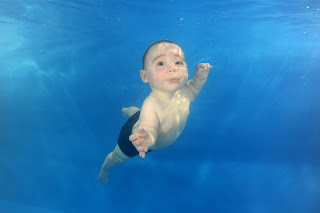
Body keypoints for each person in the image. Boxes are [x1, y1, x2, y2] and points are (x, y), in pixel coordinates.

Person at [97, 40, 212, 183]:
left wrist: (200, 77)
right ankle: (104, 171)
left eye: (178, 62)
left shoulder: (184, 92)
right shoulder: (151, 106)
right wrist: (147, 139)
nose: (172, 68)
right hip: (137, 139)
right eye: (161, 63)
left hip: (143, 118)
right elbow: (149, 127)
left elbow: (194, 89)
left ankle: (128, 110)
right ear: (145, 76)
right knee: (116, 158)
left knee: (137, 114)